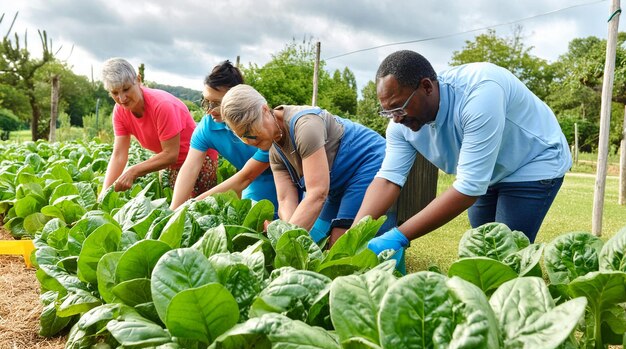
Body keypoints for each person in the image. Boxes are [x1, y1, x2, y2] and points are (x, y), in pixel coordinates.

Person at [357, 50, 572, 269]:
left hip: (533, 160)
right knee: (481, 251)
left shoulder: (480, 95)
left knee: (505, 258)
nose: (395, 118)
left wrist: (398, 237)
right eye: (388, 111)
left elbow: (469, 187)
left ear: (427, 87)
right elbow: (388, 180)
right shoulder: (399, 125)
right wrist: (355, 237)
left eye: (399, 107)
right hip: (488, 171)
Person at [220, 84, 395, 244]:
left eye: (250, 133)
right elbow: (286, 198)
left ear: (265, 110)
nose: (249, 141)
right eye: (241, 136)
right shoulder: (274, 149)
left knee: (340, 242)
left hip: (367, 162)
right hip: (336, 181)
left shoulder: (305, 127)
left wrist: (286, 242)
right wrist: (285, 232)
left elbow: (317, 193)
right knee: (316, 236)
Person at [169, 61, 278, 212]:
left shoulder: (261, 126)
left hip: (286, 179)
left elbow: (246, 176)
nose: (209, 110)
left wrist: (192, 204)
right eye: (206, 102)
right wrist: (174, 210)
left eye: (216, 103)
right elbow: (190, 168)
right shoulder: (207, 128)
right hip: (255, 183)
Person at [100, 57, 217, 197]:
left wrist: (133, 171)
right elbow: (119, 155)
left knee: (191, 209)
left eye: (126, 89)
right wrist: (104, 193)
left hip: (197, 160)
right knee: (169, 206)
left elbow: (170, 154)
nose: (122, 98)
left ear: (138, 80)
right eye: (114, 93)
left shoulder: (162, 106)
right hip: (167, 164)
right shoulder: (120, 111)